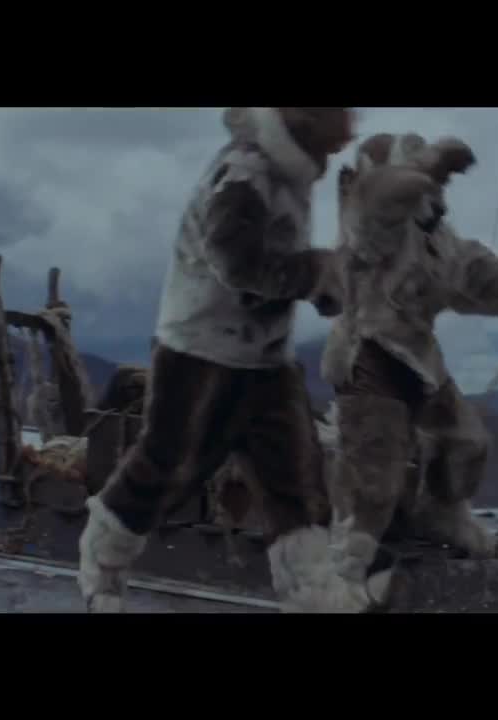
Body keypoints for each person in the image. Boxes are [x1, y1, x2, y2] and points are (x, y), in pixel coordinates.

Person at [76, 107, 357, 613]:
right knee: (166, 469)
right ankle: (103, 571)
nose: (344, 140)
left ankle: (317, 597)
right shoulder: (245, 173)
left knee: (296, 483)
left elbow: (282, 264)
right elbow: (236, 263)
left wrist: (328, 285)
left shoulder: (289, 176)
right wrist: (317, 272)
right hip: (200, 351)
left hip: (266, 361)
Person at [316, 132, 498, 610]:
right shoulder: (370, 229)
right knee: (375, 477)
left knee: (467, 442)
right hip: (369, 357)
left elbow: (472, 271)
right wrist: (433, 166)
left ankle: (444, 515)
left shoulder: (437, 239)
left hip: (419, 361)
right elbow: (379, 205)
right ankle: (344, 574)